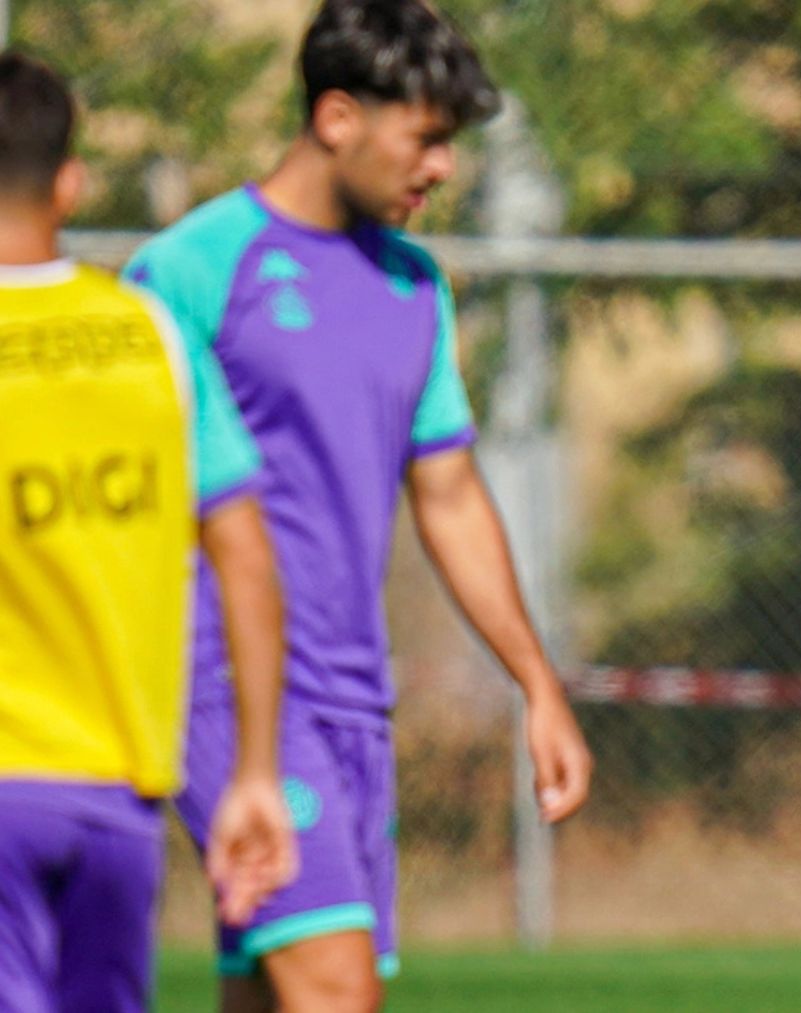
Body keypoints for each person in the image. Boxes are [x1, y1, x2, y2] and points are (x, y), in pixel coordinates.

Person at [124, 2, 593, 1008]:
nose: (443, 168)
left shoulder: (414, 287)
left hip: (352, 699)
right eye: (425, 138)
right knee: (335, 986)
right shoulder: (190, 271)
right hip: (220, 684)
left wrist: (536, 682)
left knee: (274, 991)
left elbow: (452, 495)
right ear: (337, 117)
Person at [0, 51, 295, 1013]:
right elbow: (244, 553)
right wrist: (253, 770)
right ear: (71, 179)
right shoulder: (154, 339)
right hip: (120, 803)